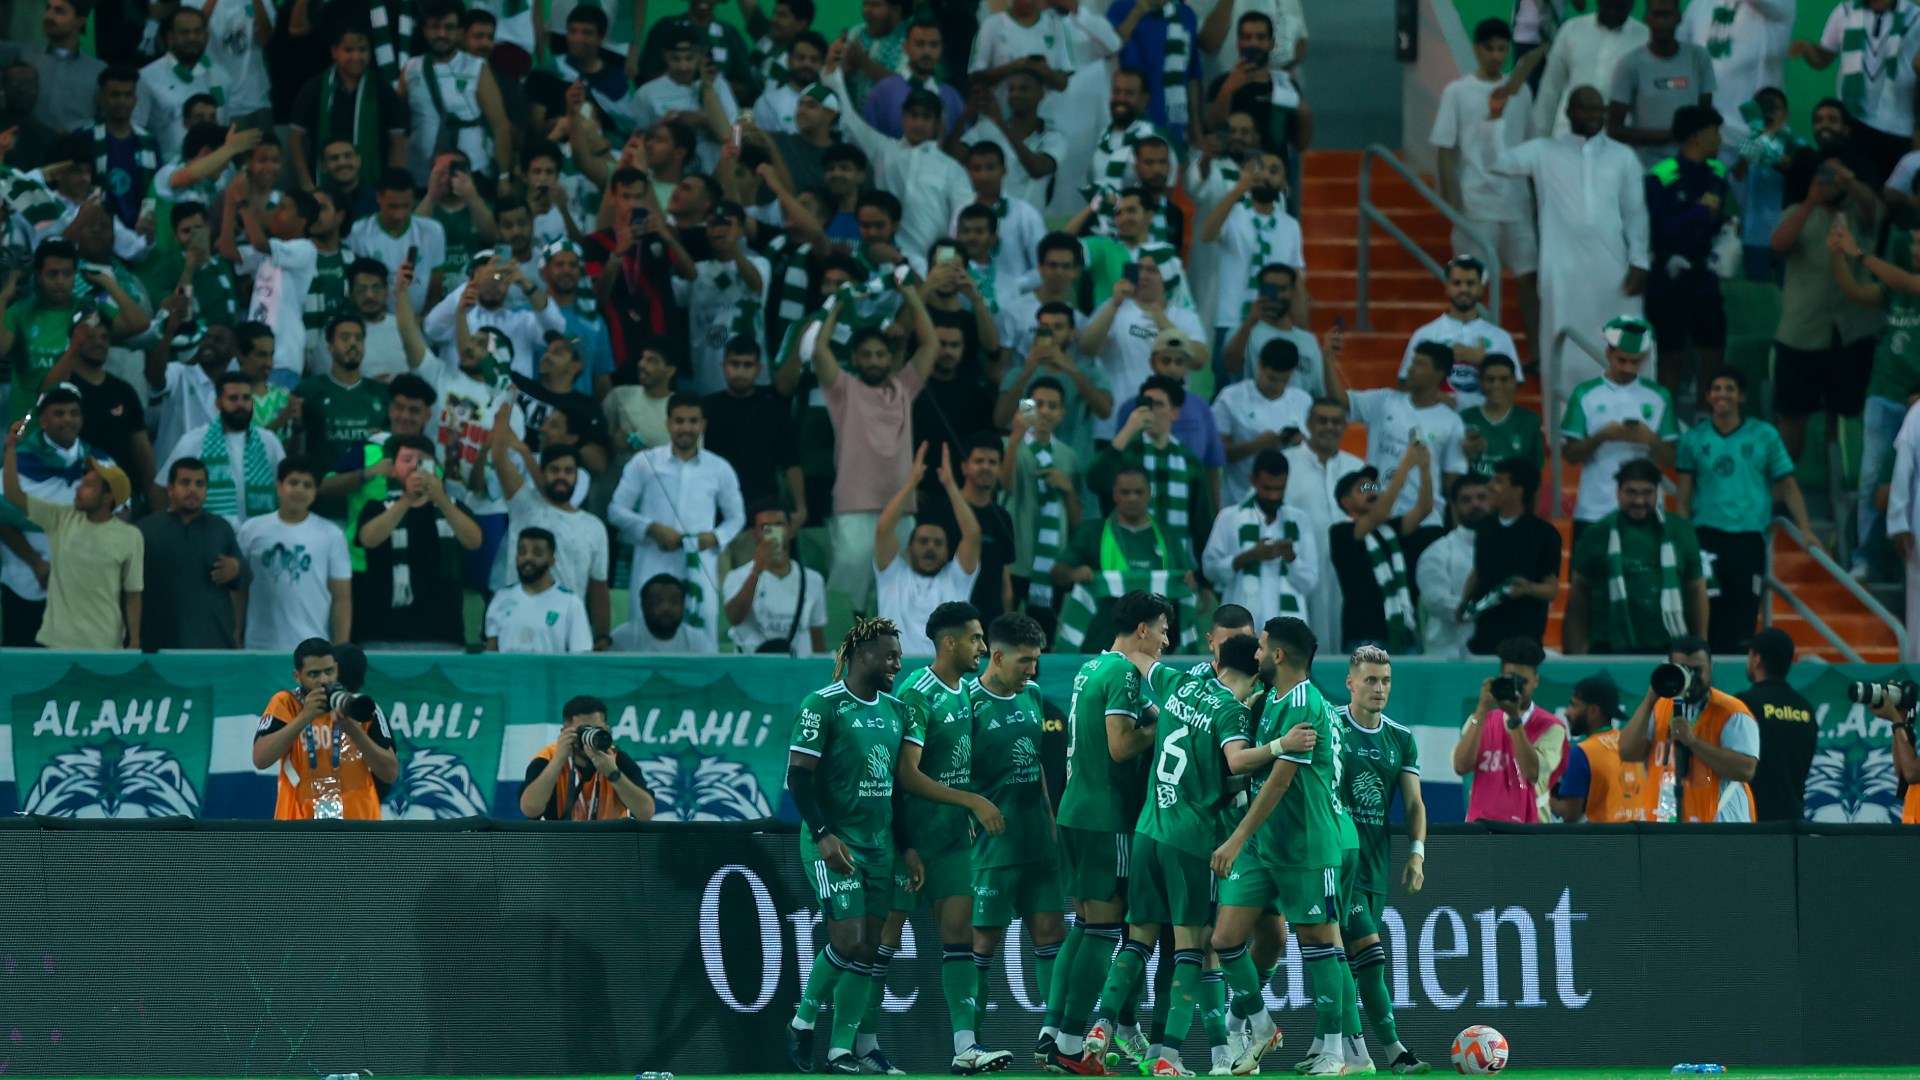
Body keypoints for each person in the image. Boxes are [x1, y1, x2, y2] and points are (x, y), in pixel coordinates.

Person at [1080, 634, 1265, 1077]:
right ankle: (1169, 1057)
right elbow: (1238, 762)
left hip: (1148, 830)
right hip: (1191, 840)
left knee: (1139, 939)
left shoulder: (1178, 683)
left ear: (1217, 660)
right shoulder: (1232, 712)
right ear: (1255, 676)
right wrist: (1278, 749)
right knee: (1192, 948)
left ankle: (1102, 1024)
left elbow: (1139, 657)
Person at [1209, 615, 1360, 1077]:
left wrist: (1235, 838)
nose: (1254, 654)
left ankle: (1334, 1049)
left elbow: (1277, 784)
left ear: (1276, 653)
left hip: (1305, 845)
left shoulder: (1305, 704)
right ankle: (1257, 1021)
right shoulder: (1270, 699)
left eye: (1259, 647)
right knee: (1226, 940)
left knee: (1318, 942)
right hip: (1264, 845)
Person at [783, 617, 911, 1074]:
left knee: (869, 949)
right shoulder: (824, 704)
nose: (897, 662)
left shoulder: (896, 711)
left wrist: (907, 846)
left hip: (880, 845)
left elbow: (897, 789)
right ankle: (802, 1021)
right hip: (833, 842)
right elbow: (798, 778)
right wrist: (822, 834)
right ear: (862, 656)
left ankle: (842, 1051)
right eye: (889, 654)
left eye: (899, 653)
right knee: (848, 939)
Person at [1045, 591, 1165, 1071]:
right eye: (1161, 629)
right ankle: (1073, 1046)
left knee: (1085, 925)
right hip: (1106, 816)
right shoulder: (1124, 673)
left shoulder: (1090, 668)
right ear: (1141, 629)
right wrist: (1161, 724)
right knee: (1103, 930)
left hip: (1075, 809)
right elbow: (1119, 746)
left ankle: (1053, 1032)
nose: (1165, 639)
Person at [1489, 83, 1652, 402]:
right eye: (1586, 108)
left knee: (1621, 340)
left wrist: (1640, 260)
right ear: (1569, 113)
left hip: (1613, 269)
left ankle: (1628, 416)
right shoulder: (1543, 151)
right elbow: (1499, 163)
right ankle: (1562, 432)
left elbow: (1635, 212)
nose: (1594, 115)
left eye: (1598, 109)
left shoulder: (1623, 157)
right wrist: (1495, 122)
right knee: (1561, 346)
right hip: (1561, 270)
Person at [959, 613, 1067, 1072]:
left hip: (1037, 841)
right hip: (990, 848)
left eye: (1037, 661)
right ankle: (971, 1045)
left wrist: (1052, 823)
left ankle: (1055, 1036)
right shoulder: (965, 703)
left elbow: (1039, 768)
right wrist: (966, 815)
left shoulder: (1035, 697)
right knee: (982, 943)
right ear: (996, 656)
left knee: (1051, 935)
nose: (1032, 670)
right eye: (1025, 661)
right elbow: (949, 770)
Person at [1330, 646, 1430, 1075]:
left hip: (1373, 866)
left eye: (1385, 681)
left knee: (1351, 963)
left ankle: (1339, 1049)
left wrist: (1416, 853)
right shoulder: (1331, 724)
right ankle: (1392, 1053)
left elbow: (1413, 805)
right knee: (1370, 955)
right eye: (1370, 680)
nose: (1379, 688)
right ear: (1350, 682)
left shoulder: (1400, 738)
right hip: (1334, 862)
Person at [1769, 100, 1883, 462]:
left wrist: (1847, 178)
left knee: (1847, 416)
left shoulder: (1859, 187)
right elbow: (1744, 162)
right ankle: (1783, 499)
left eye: (1833, 118)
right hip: (1801, 329)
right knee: (1792, 416)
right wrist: (1769, 130)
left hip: (1850, 331)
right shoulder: (1794, 153)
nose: (1824, 125)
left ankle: (1840, 488)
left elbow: (1873, 208)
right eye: (1818, 118)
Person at [813, 281, 938, 612]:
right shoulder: (844, 390)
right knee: (846, 590)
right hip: (853, 507)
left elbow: (930, 346)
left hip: (900, 506)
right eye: (866, 354)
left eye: (880, 354)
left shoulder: (904, 388)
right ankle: (839, 657)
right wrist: (839, 302)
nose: (873, 360)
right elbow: (818, 351)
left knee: (900, 594)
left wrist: (910, 292)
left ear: (890, 359)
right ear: (854, 358)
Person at [1676, 367, 1817, 653]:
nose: (1722, 394)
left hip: (1749, 537)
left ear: (1742, 396)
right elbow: (1683, 494)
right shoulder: (1694, 439)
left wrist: (1806, 530)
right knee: (1707, 612)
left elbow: (1788, 484)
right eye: (1716, 388)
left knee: (1743, 614)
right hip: (1706, 536)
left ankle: (1735, 683)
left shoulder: (1764, 435)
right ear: (1707, 396)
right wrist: (1682, 536)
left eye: (1729, 388)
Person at [1432, 20, 1540, 356]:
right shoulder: (1457, 91)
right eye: (1490, 48)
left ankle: (1535, 353)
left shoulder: (1521, 91)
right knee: (1474, 284)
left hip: (1517, 203)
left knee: (1529, 280)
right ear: (1478, 49)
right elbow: (1446, 152)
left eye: (1502, 49)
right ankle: (1476, 351)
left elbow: (1530, 147)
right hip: (1476, 204)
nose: (1496, 55)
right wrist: (1452, 205)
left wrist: (1536, 202)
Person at [608, 394, 745, 653]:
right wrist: (651, 528)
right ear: (668, 424)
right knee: (645, 629)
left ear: (703, 424)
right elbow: (615, 510)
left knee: (701, 630)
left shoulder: (719, 468)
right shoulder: (644, 462)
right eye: (679, 421)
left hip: (699, 562)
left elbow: (737, 517)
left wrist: (714, 538)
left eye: (693, 421)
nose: (686, 428)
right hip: (652, 559)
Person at [2, 420, 141, 650]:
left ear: (108, 497)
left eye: (88, 486)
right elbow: (13, 495)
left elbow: (134, 593)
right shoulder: (62, 518)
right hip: (58, 639)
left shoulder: (129, 537)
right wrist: (10, 450)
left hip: (103, 640)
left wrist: (135, 639)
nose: (77, 488)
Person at [1566, 457, 1709, 655]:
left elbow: (1696, 589)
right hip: (1609, 646)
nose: (1639, 501)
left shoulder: (1681, 531)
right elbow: (1579, 596)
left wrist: (1701, 644)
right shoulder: (1595, 534)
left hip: (1669, 646)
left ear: (1658, 492)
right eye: (1631, 492)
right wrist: (1576, 650)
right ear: (1618, 492)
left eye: (1647, 493)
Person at [352, 434, 482, 648]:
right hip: (384, 632)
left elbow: (474, 541)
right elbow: (369, 539)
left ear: (434, 467)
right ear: (393, 470)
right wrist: (407, 499)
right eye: (407, 460)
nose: (415, 466)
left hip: (443, 633)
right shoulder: (376, 507)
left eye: (421, 460)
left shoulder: (453, 506)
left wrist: (440, 498)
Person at [490, 426, 612, 650]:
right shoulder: (524, 506)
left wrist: (602, 636)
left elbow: (599, 588)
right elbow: (498, 457)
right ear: (542, 473)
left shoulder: (594, 527)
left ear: (577, 476)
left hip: (568, 630)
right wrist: (509, 399)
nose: (561, 477)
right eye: (554, 470)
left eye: (568, 471)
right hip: (517, 624)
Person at [1643, 106, 1732, 407]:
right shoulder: (1661, 176)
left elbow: (1718, 219)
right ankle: (1663, 427)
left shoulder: (1718, 173)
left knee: (1713, 353)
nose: (1720, 138)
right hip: (1669, 278)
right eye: (1715, 131)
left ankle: (1709, 422)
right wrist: (1697, 212)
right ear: (1697, 136)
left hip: (1705, 277)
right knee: (1671, 357)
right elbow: (1656, 229)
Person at [249, 640, 397, 820]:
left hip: (357, 827)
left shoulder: (359, 707)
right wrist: (304, 717)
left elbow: (390, 773)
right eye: (314, 674)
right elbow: (261, 758)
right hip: (298, 827)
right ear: (298, 676)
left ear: (337, 668)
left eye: (329, 671)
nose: (324, 680)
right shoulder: (286, 703)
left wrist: (353, 730)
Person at [1620, 636, 1760, 822]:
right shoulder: (1660, 707)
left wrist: (1693, 742)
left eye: (1697, 670)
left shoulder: (1732, 712)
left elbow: (1745, 770)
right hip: (1668, 821)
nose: (1691, 677)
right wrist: (1650, 699)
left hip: (1720, 822)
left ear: (1711, 668)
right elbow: (1628, 752)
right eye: (1683, 670)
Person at [1561, 316, 1678, 534]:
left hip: (1646, 510)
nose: (1628, 368)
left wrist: (1650, 439)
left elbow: (1672, 459)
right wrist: (1601, 436)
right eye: (1621, 360)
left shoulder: (1659, 396)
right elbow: (1570, 455)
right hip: (1594, 510)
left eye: (1635, 362)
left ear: (1645, 357)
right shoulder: (1584, 394)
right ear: (1608, 353)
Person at [1328, 340, 1464, 528]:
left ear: (1439, 374)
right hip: (1378, 515)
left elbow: (1452, 483)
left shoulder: (1451, 421)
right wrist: (1327, 358)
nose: (1411, 368)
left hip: (1425, 522)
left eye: (1420, 364)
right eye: (1412, 362)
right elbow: (1340, 400)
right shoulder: (1384, 401)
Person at [874, 444, 983, 657]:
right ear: (909, 548)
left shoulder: (956, 578)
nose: (930, 548)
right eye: (923, 542)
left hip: (944, 677)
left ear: (948, 552)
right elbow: (883, 528)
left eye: (937, 543)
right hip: (894, 672)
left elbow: (973, 535)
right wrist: (911, 483)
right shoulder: (892, 575)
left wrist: (951, 485)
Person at [1792, 0, 1920, 181]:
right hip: (1854, 122)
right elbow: (1824, 58)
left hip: (1900, 127)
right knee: (1855, 193)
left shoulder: (1915, 15)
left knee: (1893, 197)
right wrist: (1807, 49)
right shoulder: (1844, 11)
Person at [1326, 443, 1433, 653]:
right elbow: (1381, 512)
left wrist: (1424, 468)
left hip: (1403, 635)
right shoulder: (1341, 532)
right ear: (1345, 501)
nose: (1372, 491)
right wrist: (1405, 465)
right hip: (1364, 636)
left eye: (1374, 487)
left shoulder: (1391, 529)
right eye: (1363, 488)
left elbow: (1425, 508)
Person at [235, 459, 350, 651]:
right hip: (258, 645)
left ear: (315, 492)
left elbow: (342, 598)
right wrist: (236, 630)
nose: (299, 490)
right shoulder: (251, 530)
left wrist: (342, 646)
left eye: (307, 485)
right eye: (293, 482)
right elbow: (239, 590)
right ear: (279, 486)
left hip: (313, 647)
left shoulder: (331, 534)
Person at [1452, 636, 1567, 823]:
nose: (1517, 688)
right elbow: (1461, 766)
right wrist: (1481, 712)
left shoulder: (1552, 727)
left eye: (1523, 681)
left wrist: (1514, 719)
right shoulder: (1481, 719)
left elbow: (1532, 773)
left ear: (1536, 681)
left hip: (1530, 831)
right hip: (1482, 829)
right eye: (1511, 680)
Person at [137, 457, 247, 650]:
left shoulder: (220, 528)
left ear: (206, 491)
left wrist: (236, 568)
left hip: (213, 640)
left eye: (200, 484)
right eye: (185, 482)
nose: (193, 490)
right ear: (170, 489)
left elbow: (244, 577)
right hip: (158, 641)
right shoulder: (147, 529)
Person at [1203, 447, 1319, 627]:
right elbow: (1210, 570)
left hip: (1287, 631)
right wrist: (1249, 556)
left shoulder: (1299, 520)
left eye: (1279, 489)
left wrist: (1291, 557)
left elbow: (1309, 583)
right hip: (1241, 627)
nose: (1273, 495)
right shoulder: (1229, 517)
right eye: (1267, 488)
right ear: (1253, 481)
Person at [157, 372, 287, 528]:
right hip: (207, 536)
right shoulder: (193, 440)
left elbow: (284, 490)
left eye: (246, 398)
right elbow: (163, 487)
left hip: (260, 535)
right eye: (233, 398)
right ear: (218, 403)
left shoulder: (269, 441)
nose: (241, 404)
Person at [1284, 397, 1364, 648]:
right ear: (1309, 423)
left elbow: (1377, 500)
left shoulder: (1360, 467)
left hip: (1349, 567)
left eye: (1336, 422)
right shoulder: (1286, 462)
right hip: (1301, 564)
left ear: (1345, 426)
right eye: (1322, 421)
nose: (1329, 427)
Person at [1461, 457, 1561, 653]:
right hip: (1484, 637)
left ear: (1518, 490)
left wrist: (1527, 589)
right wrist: (1464, 603)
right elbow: (1478, 571)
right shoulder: (1485, 528)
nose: (1489, 486)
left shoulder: (1544, 534)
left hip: (1524, 639)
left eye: (1498, 481)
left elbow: (1552, 590)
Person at [1398, 255, 1522, 410]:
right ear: (1447, 287)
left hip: (1485, 425)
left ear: (1481, 288)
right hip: (1436, 423)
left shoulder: (1501, 338)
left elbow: (1513, 389)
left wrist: (1483, 360)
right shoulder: (1425, 335)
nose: (1463, 289)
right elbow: (1405, 384)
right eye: (1457, 283)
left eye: (1470, 283)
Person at [1607, 0, 1716, 167]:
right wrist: (1670, 135)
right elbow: (1614, 130)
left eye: (1668, 15)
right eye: (1657, 15)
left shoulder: (1698, 58)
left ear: (1679, 18)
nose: (1662, 21)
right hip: (1647, 171)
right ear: (1646, 18)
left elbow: (1706, 118)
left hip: (1691, 167)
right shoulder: (1630, 64)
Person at [519, 695, 657, 820]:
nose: (590, 736)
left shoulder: (617, 759)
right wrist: (558, 761)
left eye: (597, 730)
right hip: (562, 844)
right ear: (564, 732)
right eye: (583, 731)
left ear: (607, 730)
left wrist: (613, 773)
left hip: (609, 844)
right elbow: (530, 810)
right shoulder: (547, 758)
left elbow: (645, 813)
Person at [1213, 338, 1312, 506]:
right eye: (1272, 378)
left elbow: (1315, 451)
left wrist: (1301, 443)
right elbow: (1217, 454)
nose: (1277, 385)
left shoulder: (1303, 400)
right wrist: (1257, 445)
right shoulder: (1230, 397)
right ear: (1259, 365)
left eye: (1284, 380)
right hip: (1239, 496)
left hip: (1290, 498)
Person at [1531, 0, 1649, 139]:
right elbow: (1550, 90)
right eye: (1609, 3)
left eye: (1620, 3)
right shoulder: (1571, 30)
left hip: (1616, 142)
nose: (1613, 7)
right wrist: (1539, 138)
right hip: (1566, 134)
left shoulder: (1645, 38)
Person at [1736, 627, 1818, 823]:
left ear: (1756, 659)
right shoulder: (1805, 709)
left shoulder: (1743, 704)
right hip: (1793, 822)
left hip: (1751, 820)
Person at [1550, 674, 1655, 822]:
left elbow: (1570, 814)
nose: (1567, 712)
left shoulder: (1582, 752)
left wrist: (1542, 796)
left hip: (1603, 841)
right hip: (1639, 837)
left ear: (1593, 711)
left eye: (1574, 705)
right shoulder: (1629, 743)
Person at [1414, 473, 1492, 660]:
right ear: (1454, 507)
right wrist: (1486, 609)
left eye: (1482, 498)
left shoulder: (1510, 548)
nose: (1475, 504)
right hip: (1449, 654)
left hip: (1498, 651)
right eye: (1466, 500)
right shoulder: (1437, 552)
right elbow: (1435, 600)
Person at [485, 527, 593, 653]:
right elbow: (491, 654)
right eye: (522, 552)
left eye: (537, 553)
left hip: (551, 673)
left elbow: (580, 657)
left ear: (552, 560)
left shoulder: (571, 603)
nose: (528, 558)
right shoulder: (501, 597)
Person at [1459, 355, 1542, 477]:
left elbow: (1535, 471)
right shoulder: (1463, 418)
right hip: (1474, 492)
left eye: (1504, 379)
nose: (1496, 385)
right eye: (1490, 379)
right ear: (1480, 382)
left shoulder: (1530, 421)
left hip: (1513, 494)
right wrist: (1467, 455)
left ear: (1514, 381)